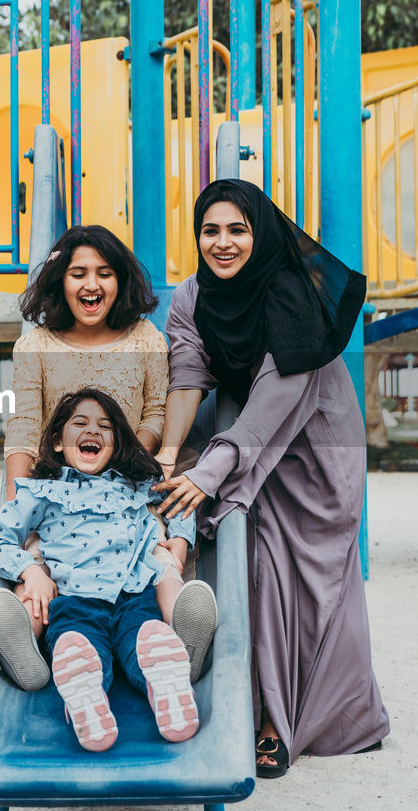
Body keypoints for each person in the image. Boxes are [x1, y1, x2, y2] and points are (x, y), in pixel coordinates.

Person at [153, 179, 390, 779]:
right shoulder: (190, 298)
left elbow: (277, 392)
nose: (223, 243)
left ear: (258, 234)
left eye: (238, 230)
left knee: (306, 579)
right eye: (211, 230)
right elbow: (187, 378)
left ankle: (297, 722)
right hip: (251, 441)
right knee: (255, 566)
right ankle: (261, 711)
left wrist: (210, 470)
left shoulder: (288, 291)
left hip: (313, 443)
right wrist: (172, 454)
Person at [0, 224, 217, 692]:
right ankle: (26, 648)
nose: (92, 284)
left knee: (158, 561)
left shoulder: (145, 339)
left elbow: (155, 412)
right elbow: (25, 428)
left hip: (132, 481)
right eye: (78, 273)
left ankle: (178, 642)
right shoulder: (37, 346)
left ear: (121, 281)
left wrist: (130, 460)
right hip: (59, 492)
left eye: (104, 273)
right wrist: (19, 503)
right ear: (61, 282)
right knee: (41, 566)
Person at [0, 389, 205, 752]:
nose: (94, 431)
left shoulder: (135, 485)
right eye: (80, 424)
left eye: (105, 426)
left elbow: (179, 505)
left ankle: (166, 683)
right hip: (74, 599)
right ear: (57, 441)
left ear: (116, 445)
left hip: (134, 593)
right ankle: (86, 697)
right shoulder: (42, 491)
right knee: (79, 647)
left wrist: (179, 541)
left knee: (146, 639)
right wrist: (30, 571)